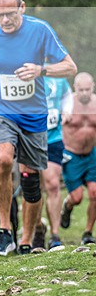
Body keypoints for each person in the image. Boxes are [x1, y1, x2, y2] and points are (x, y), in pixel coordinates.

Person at [0, 0, 76, 256]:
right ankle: (4, 230)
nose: (5, 20)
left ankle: (27, 239)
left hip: (33, 114)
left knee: (31, 178)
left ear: (22, 8)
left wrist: (41, 69)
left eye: (10, 14)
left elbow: (70, 67)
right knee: (3, 158)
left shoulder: (40, 30)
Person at [34, 75, 73, 250]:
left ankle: (55, 235)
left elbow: (67, 97)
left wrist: (66, 112)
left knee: (53, 184)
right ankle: (38, 228)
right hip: (32, 139)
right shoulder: (25, 71)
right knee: (35, 188)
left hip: (53, 138)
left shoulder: (59, 78)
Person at [60, 72, 96, 245]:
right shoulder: (67, 104)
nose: (84, 93)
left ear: (93, 87)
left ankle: (88, 233)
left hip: (92, 154)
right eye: (81, 90)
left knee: (94, 193)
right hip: (71, 154)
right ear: (75, 88)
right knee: (77, 198)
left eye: (87, 90)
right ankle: (67, 206)